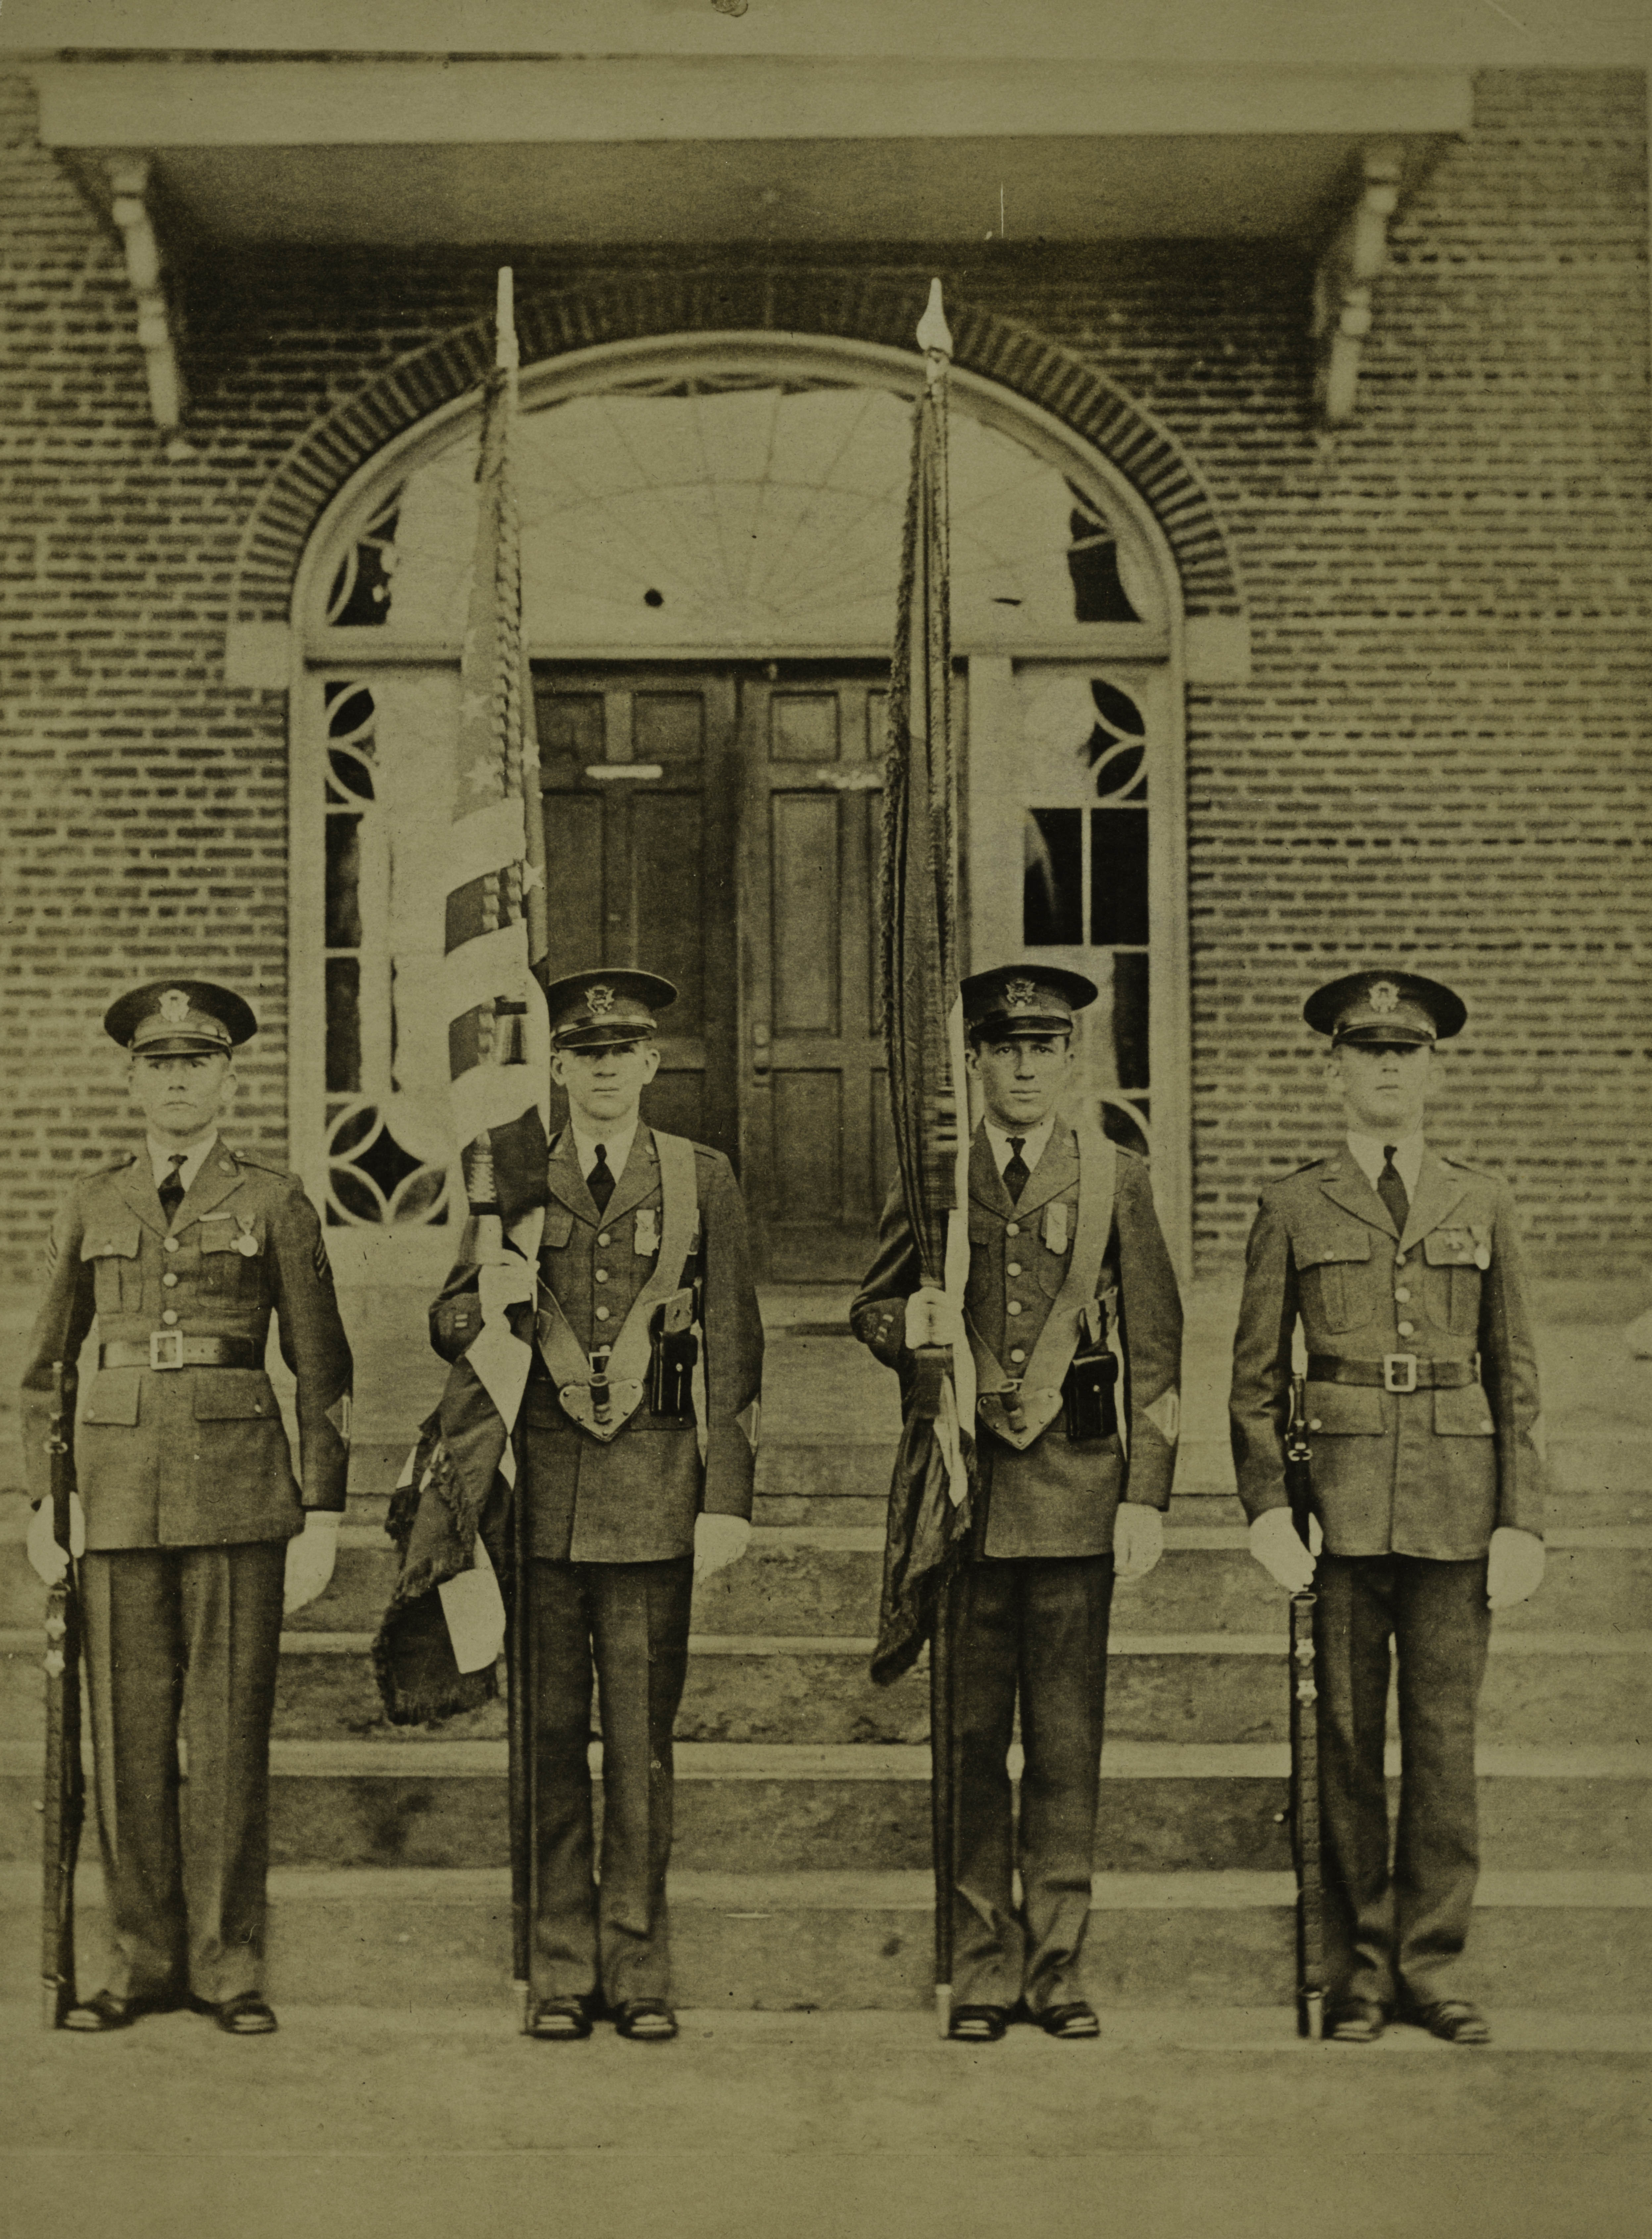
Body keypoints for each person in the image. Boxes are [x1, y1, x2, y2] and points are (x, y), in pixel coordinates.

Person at [426, 970, 763, 2044]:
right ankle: (560, 1971)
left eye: (625, 1050)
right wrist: (487, 1298)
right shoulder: (513, 1174)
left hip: (658, 1493)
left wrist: (728, 1499)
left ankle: (640, 1964)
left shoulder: (703, 1177)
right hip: (541, 1495)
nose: (606, 1066)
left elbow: (739, 1350)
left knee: (640, 1746)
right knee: (549, 1739)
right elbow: (444, 1319)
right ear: (559, 1065)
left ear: (653, 1064)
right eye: (586, 1051)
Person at [851, 966, 1183, 2041]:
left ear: (1072, 1059)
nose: (1026, 1066)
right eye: (1005, 1047)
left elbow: (1160, 1353)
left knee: (1067, 1743)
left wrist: (1148, 1494)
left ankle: (1056, 1964)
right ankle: (982, 1964)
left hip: (1079, 1492)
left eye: (1045, 1047)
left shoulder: (1117, 1176)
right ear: (979, 1062)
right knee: (970, 1740)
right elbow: (873, 1302)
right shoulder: (938, 1180)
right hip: (970, 1497)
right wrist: (914, 1328)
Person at [21, 979, 353, 2034]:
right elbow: (44, 1372)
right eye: (158, 1066)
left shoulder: (276, 1198)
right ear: (133, 1080)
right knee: (124, 1743)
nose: (177, 1082)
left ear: (228, 1078)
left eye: (196, 1064)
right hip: (113, 1495)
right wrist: (46, 1499)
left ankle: (226, 1967)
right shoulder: (91, 1200)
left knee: (224, 1739)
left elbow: (323, 1365)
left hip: (239, 1490)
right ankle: (140, 1962)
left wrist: (327, 1511)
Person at [1229, 969, 1548, 2047]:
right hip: (1344, 1511)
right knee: (1352, 1747)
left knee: (1445, 1747)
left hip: (1461, 1502)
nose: (1388, 1070)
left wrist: (1524, 1514)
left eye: (1405, 1054)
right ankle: (1359, 1970)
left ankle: (1433, 1965)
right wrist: (1269, 1505)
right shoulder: (1292, 1202)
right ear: (1335, 1071)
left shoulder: (1483, 1197)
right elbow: (1255, 1377)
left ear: (1434, 1072)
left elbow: (1516, 1370)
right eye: (1368, 1053)